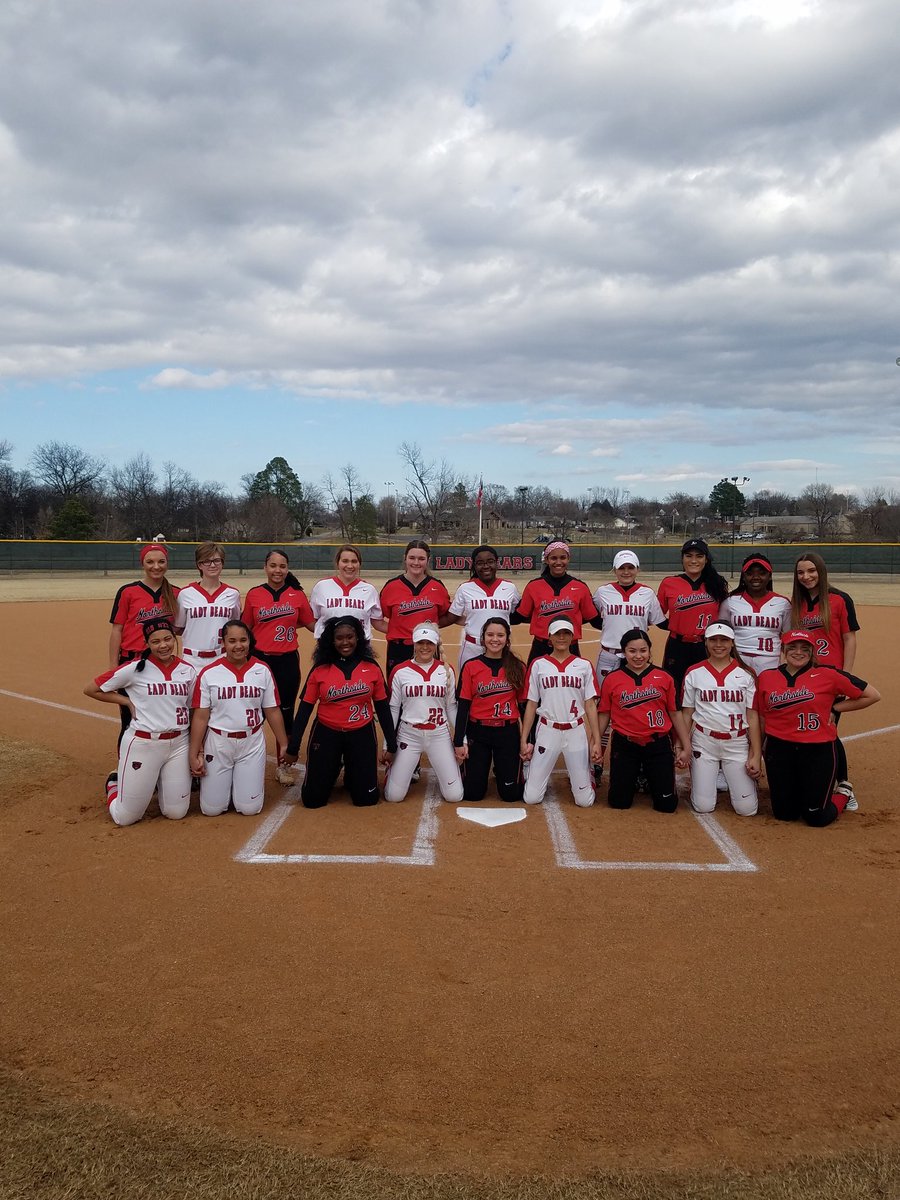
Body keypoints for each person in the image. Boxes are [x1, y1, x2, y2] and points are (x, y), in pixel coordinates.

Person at [754, 630, 879, 827]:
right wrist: (756, 752)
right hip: (779, 749)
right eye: (792, 647)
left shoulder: (828, 674)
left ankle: (844, 792)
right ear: (783, 650)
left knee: (816, 817)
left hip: (817, 750)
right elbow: (761, 717)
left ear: (813, 652)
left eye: (805, 648)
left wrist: (835, 707)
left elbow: (872, 695)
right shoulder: (767, 677)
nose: (798, 652)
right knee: (785, 814)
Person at [84, 618, 196, 826]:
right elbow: (91, 689)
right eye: (155, 641)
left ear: (174, 639)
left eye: (167, 639)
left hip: (179, 744)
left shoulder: (188, 671)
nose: (163, 645)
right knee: (125, 818)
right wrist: (125, 700)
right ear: (147, 644)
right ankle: (113, 783)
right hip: (144, 743)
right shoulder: (134, 669)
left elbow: (190, 707)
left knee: (176, 812)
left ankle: (161, 781)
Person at [283, 616, 396, 808]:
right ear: (331, 641)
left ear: (358, 637)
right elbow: (305, 710)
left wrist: (391, 745)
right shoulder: (320, 669)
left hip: (361, 732)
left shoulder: (371, 667)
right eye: (339, 638)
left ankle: (352, 772)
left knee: (366, 800)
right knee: (312, 801)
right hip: (327, 732)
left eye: (350, 636)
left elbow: (383, 708)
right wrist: (293, 748)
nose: (345, 642)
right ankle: (334, 766)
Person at [189, 620, 287, 817]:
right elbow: (201, 717)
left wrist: (283, 742)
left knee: (250, 809)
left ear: (250, 641)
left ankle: (239, 784)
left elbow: (272, 710)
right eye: (232, 641)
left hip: (251, 742)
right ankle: (230, 784)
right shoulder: (209, 673)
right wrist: (194, 753)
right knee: (211, 810)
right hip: (219, 741)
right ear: (223, 643)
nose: (238, 645)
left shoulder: (262, 670)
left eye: (243, 640)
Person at [790, 552, 862, 807]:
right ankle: (816, 778)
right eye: (801, 572)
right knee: (813, 727)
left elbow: (849, 638)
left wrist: (846, 675)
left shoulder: (839, 599)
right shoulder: (796, 604)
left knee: (828, 729)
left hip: (831, 676)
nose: (806, 576)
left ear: (820, 571)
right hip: (806, 676)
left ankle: (843, 783)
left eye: (811, 571)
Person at [596, 629, 690, 813]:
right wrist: (596, 743)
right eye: (632, 651)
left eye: (643, 650)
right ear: (624, 652)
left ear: (649, 650)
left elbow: (675, 713)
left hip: (658, 744)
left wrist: (685, 746)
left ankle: (648, 776)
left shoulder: (665, 677)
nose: (638, 656)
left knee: (667, 806)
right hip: (626, 744)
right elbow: (604, 714)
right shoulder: (613, 679)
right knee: (619, 802)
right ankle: (639, 777)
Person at [241, 549, 316, 772]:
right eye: (273, 566)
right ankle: (244, 758)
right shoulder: (254, 594)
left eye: (282, 566)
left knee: (284, 711)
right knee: (253, 710)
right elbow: (246, 628)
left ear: (287, 568)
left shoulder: (297, 594)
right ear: (265, 567)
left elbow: (312, 625)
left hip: (287, 661)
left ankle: (284, 764)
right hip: (259, 661)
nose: (278, 570)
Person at [519, 618, 601, 807]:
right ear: (549, 637)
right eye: (557, 633)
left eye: (566, 633)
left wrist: (596, 740)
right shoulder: (539, 665)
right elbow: (531, 704)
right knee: (531, 798)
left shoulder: (584, 665)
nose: (562, 637)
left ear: (573, 636)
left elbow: (590, 705)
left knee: (585, 801)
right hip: (548, 729)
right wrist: (525, 739)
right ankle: (530, 769)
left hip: (575, 730)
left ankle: (586, 775)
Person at [681, 623, 761, 816]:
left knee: (747, 810)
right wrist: (682, 746)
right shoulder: (694, 672)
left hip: (737, 743)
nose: (719, 645)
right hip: (704, 742)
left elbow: (752, 716)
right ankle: (706, 782)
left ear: (732, 643)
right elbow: (687, 713)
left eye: (724, 640)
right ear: (706, 643)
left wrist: (756, 754)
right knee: (703, 806)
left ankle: (737, 783)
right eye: (713, 640)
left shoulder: (747, 673)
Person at [108, 542, 179, 745]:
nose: (156, 566)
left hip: (162, 663)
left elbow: (181, 628)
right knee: (130, 720)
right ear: (143, 564)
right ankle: (125, 768)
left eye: (161, 562)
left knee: (162, 717)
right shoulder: (128, 591)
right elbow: (117, 630)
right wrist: (114, 667)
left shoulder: (175, 593)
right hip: (132, 662)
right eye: (150, 562)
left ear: (167, 563)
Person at [383, 624, 463, 803]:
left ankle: (453, 771)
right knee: (394, 797)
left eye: (429, 643)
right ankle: (393, 772)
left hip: (439, 734)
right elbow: (393, 708)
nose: (425, 647)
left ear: (436, 645)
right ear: (414, 644)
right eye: (420, 642)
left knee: (454, 796)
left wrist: (461, 740)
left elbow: (451, 707)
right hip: (409, 735)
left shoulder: (446, 670)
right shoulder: (400, 671)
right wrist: (387, 745)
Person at [453, 617, 526, 803]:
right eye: (490, 634)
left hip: (507, 732)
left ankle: (509, 771)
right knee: (472, 794)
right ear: (483, 638)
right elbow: (463, 706)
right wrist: (459, 741)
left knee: (511, 795)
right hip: (478, 732)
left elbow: (525, 707)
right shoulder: (471, 666)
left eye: (500, 635)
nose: (495, 639)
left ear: (507, 639)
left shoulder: (517, 666)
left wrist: (527, 739)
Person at [657, 538, 730, 699]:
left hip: (706, 645)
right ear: (682, 559)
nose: (694, 560)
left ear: (706, 559)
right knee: (674, 690)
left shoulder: (716, 583)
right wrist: (674, 625)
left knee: (707, 690)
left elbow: (725, 616)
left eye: (699, 556)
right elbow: (657, 614)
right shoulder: (669, 583)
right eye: (689, 556)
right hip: (678, 645)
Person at [512, 541, 600, 663]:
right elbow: (519, 616)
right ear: (547, 560)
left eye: (563, 557)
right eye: (553, 558)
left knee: (573, 681)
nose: (558, 562)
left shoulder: (580, 587)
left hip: (570, 646)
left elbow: (593, 618)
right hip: (541, 647)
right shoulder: (533, 586)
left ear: (568, 559)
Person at [444, 544, 521, 672]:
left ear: (497, 563)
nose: (485, 566)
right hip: (472, 647)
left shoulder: (509, 587)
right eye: (480, 563)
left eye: (490, 562)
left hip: (500, 647)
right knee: (467, 687)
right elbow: (452, 617)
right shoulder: (465, 588)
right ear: (474, 565)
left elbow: (517, 614)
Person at [380, 541, 452, 677]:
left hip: (428, 645)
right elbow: (378, 619)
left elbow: (446, 616)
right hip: (399, 648)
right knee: (397, 693)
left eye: (421, 559)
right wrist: (398, 629)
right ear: (405, 558)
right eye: (412, 558)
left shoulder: (438, 587)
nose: (416, 562)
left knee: (429, 690)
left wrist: (430, 627)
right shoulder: (391, 587)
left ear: (428, 560)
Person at [719, 553, 791, 674]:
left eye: (762, 573)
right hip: (738, 660)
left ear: (770, 576)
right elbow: (722, 634)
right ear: (743, 576)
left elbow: (789, 637)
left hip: (771, 661)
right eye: (750, 573)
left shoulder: (782, 603)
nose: (755, 577)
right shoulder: (730, 602)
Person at [175, 542, 241, 663]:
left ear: (222, 563)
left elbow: (234, 625)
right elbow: (179, 627)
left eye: (217, 560)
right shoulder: (185, 594)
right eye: (206, 561)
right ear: (199, 565)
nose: (212, 565)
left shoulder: (233, 594)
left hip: (222, 657)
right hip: (192, 657)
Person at [309, 544, 388, 641]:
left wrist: (406, 631)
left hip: (360, 648)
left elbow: (378, 623)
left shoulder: (369, 590)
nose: (350, 566)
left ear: (359, 564)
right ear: (337, 563)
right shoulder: (321, 587)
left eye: (354, 561)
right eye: (345, 561)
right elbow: (313, 619)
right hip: (328, 648)